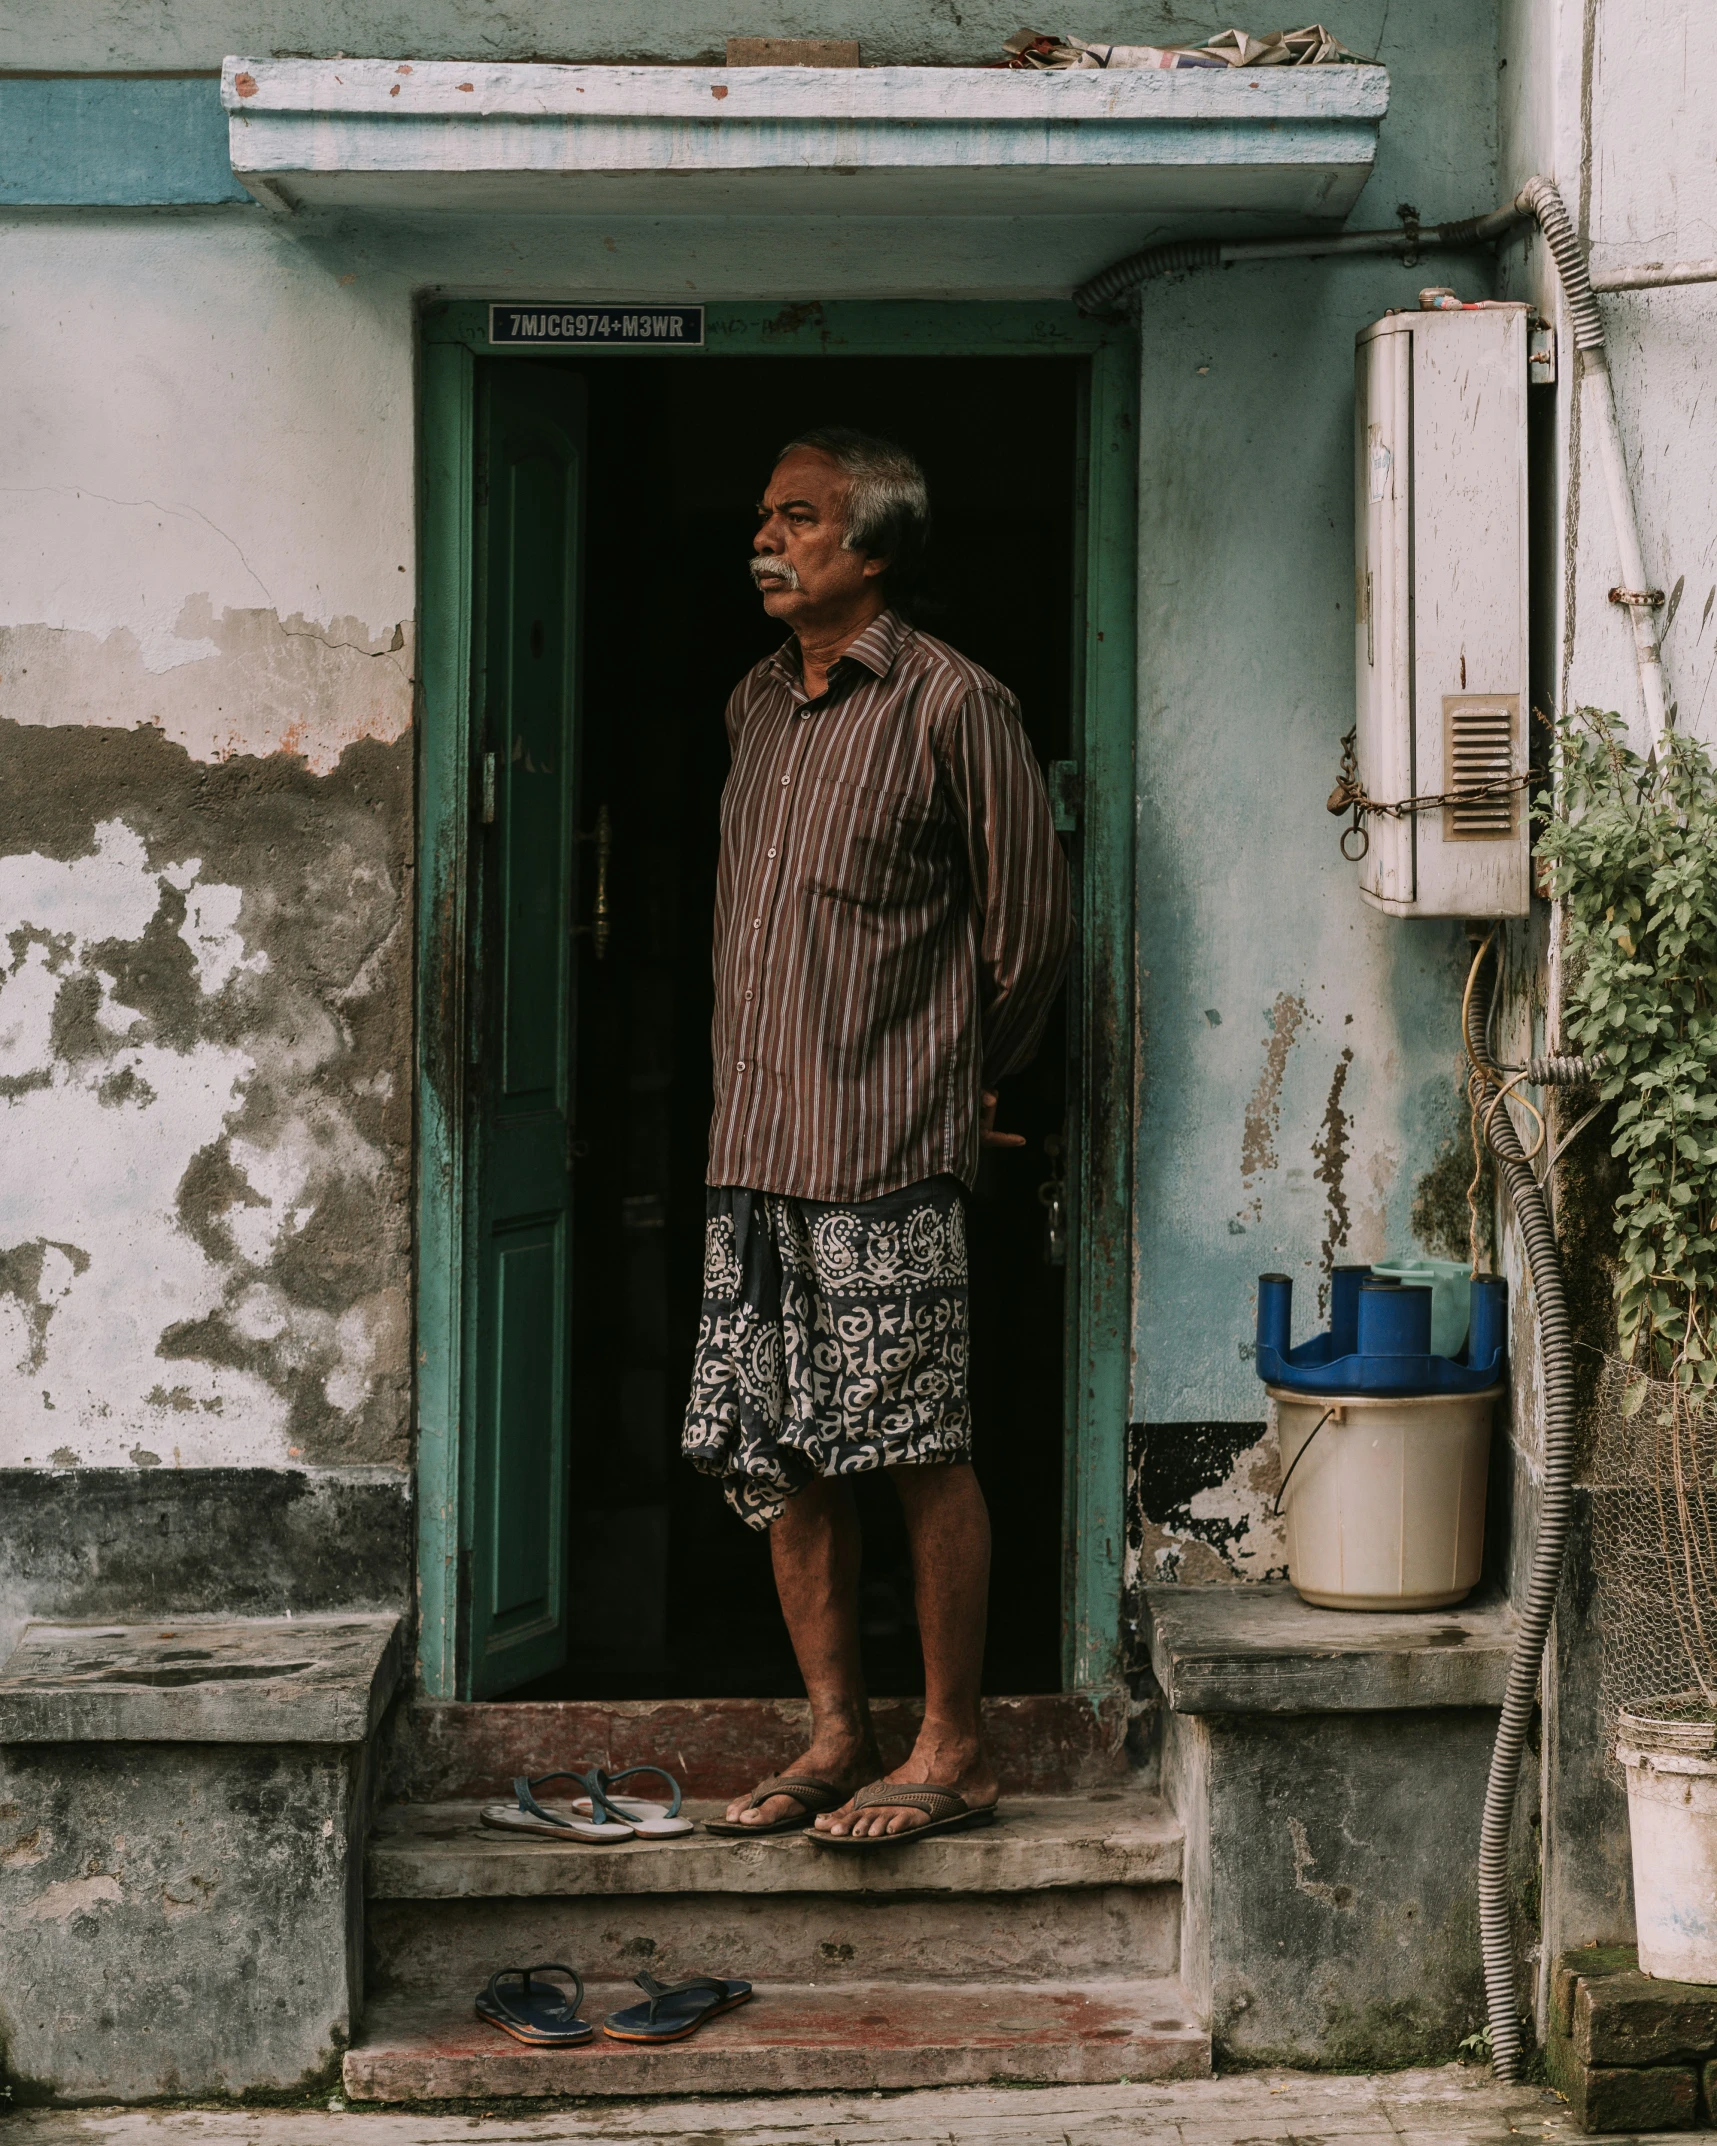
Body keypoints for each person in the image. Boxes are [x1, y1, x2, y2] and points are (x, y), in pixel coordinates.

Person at [684, 427, 1072, 1845]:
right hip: (756, 1139)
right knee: (777, 1443)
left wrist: (968, 1075)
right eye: (765, 514)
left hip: (887, 1137)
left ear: (874, 548)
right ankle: (836, 1733)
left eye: (798, 518)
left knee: (915, 1438)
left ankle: (954, 1744)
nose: (767, 539)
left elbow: (1031, 926)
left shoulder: (953, 705)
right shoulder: (753, 707)